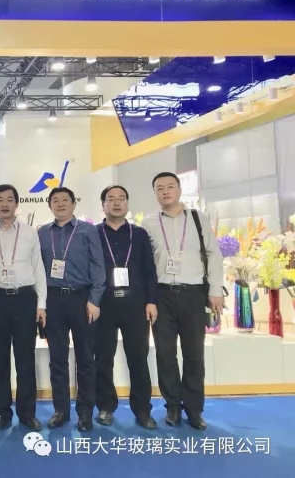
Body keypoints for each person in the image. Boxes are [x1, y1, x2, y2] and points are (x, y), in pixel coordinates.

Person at [141, 172, 224, 430]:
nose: (165, 191)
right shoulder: (149, 222)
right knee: (165, 354)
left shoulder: (198, 218)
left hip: (193, 293)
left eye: (170, 186)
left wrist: (215, 291)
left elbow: (213, 254)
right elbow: (145, 263)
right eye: (159, 188)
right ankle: (173, 407)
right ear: (155, 193)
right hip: (161, 295)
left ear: (179, 190)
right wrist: (148, 299)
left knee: (194, 354)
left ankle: (194, 409)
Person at [0, 184, 46, 431]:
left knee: (25, 358)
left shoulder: (30, 233)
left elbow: (38, 267)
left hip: (24, 298)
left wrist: (41, 304)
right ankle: (3, 411)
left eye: (9, 200)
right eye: (0, 200)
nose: (4, 204)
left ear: (17, 204)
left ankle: (27, 413)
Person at [37, 187, 106, 432]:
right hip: (53, 300)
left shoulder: (88, 230)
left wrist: (95, 299)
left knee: (85, 358)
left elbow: (98, 266)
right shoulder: (42, 233)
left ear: (74, 204)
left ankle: (85, 412)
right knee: (57, 358)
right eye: (55, 200)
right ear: (49, 206)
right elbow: (37, 269)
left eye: (65, 200)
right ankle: (61, 410)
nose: (60, 204)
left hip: (82, 298)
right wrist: (41, 303)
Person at [94, 186, 158, 429]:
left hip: (136, 304)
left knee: (138, 358)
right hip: (104, 303)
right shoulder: (94, 234)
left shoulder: (139, 234)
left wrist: (151, 301)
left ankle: (142, 410)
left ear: (127, 204)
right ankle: (105, 406)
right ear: (103, 205)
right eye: (111, 199)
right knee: (103, 357)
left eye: (121, 198)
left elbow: (149, 269)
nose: (116, 203)